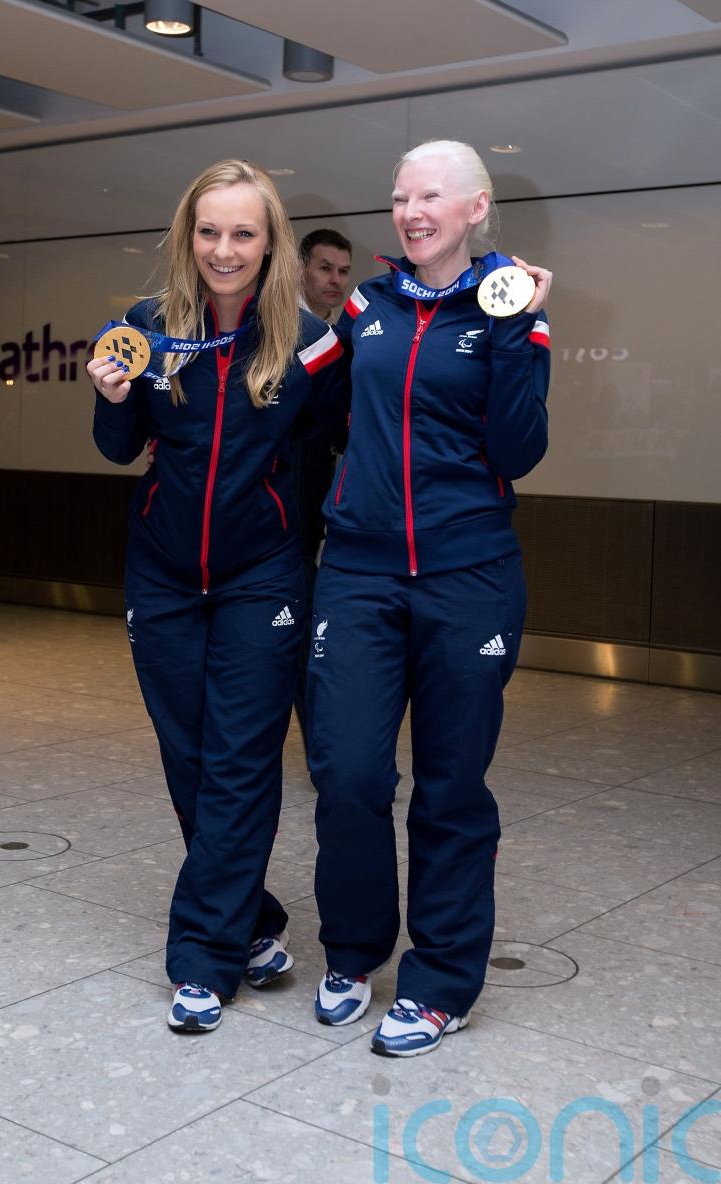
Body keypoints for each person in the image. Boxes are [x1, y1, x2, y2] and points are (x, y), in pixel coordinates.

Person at [88, 159, 348, 1034]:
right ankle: (253, 919)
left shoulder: (310, 343)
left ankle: (202, 960)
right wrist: (112, 395)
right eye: (209, 231)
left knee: (240, 759)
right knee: (189, 756)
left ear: (270, 242)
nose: (224, 249)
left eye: (243, 232)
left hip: (262, 576)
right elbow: (118, 446)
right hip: (161, 572)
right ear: (187, 236)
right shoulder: (145, 327)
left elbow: (327, 447)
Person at [308, 140, 552, 1057]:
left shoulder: (510, 307)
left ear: (476, 207)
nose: (411, 212)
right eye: (400, 196)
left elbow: (519, 449)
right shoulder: (367, 305)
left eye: (431, 196)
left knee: (450, 787)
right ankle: (353, 952)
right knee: (349, 774)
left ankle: (441, 982)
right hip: (359, 572)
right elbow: (310, 412)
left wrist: (515, 330)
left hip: (468, 575)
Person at [292, 229, 353, 749]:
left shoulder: (343, 343)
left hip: (320, 514)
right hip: (276, 512)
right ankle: (324, 752)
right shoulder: (277, 335)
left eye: (343, 271)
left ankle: (327, 751)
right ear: (299, 269)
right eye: (324, 268)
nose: (335, 280)